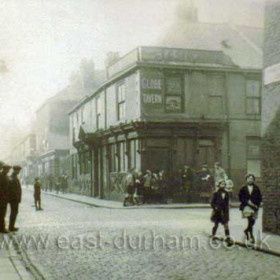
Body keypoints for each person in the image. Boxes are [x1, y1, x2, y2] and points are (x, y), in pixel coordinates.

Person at [238, 174, 262, 244]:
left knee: (253, 221)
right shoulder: (243, 188)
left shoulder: (256, 188)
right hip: (246, 206)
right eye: (249, 178)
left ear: (254, 180)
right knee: (250, 220)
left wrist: (257, 205)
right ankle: (251, 236)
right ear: (246, 180)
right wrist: (247, 202)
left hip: (254, 206)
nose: (250, 180)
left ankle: (246, 230)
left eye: (252, 178)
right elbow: (240, 197)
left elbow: (259, 197)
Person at [210, 179, 232, 245]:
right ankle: (213, 237)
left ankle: (228, 239)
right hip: (217, 212)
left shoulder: (227, 193)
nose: (223, 185)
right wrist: (215, 208)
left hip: (224, 212)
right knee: (216, 225)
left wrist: (227, 209)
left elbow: (227, 202)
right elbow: (212, 203)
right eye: (222, 184)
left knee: (226, 225)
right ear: (219, 185)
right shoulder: (216, 193)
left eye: (224, 184)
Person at [7, 165, 22, 232]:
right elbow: (12, 190)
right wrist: (16, 197)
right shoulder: (12, 177)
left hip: (15, 198)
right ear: (15, 170)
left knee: (14, 212)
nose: (19, 172)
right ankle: (11, 227)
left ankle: (12, 226)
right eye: (18, 170)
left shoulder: (14, 177)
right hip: (14, 199)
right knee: (14, 212)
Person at [0, 164, 11, 233]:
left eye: (9, 169)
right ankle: (2, 228)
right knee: (1, 213)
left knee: (3, 213)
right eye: (7, 169)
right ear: (4, 169)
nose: (8, 171)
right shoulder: (1, 176)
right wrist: (3, 196)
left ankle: (2, 227)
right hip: (2, 198)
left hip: (5, 197)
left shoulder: (6, 176)